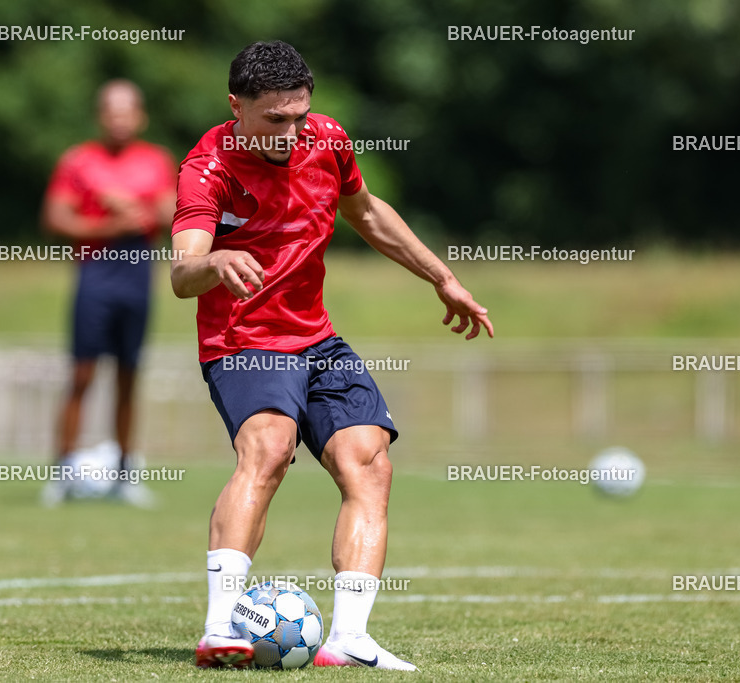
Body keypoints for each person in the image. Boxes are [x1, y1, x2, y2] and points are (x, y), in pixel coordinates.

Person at [170, 41, 493, 670]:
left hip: (316, 337)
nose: (291, 132)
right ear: (236, 107)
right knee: (268, 449)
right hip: (244, 338)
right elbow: (183, 275)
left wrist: (441, 277)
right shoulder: (207, 167)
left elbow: (366, 213)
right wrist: (213, 260)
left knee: (368, 461)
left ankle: (348, 638)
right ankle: (218, 629)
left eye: (299, 115)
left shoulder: (327, 139)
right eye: (274, 120)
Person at [41, 79, 176, 504]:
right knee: (82, 373)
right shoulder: (79, 161)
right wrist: (106, 225)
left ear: (140, 116)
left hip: (138, 274)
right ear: (101, 116)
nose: (119, 120)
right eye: (111, 112)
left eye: (127, 111)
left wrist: (132, 205)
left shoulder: (157, 161)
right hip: (96, 272)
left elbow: (176, 211)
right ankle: (63, 472)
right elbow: (56, 217)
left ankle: (124, 473)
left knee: (128, 374)